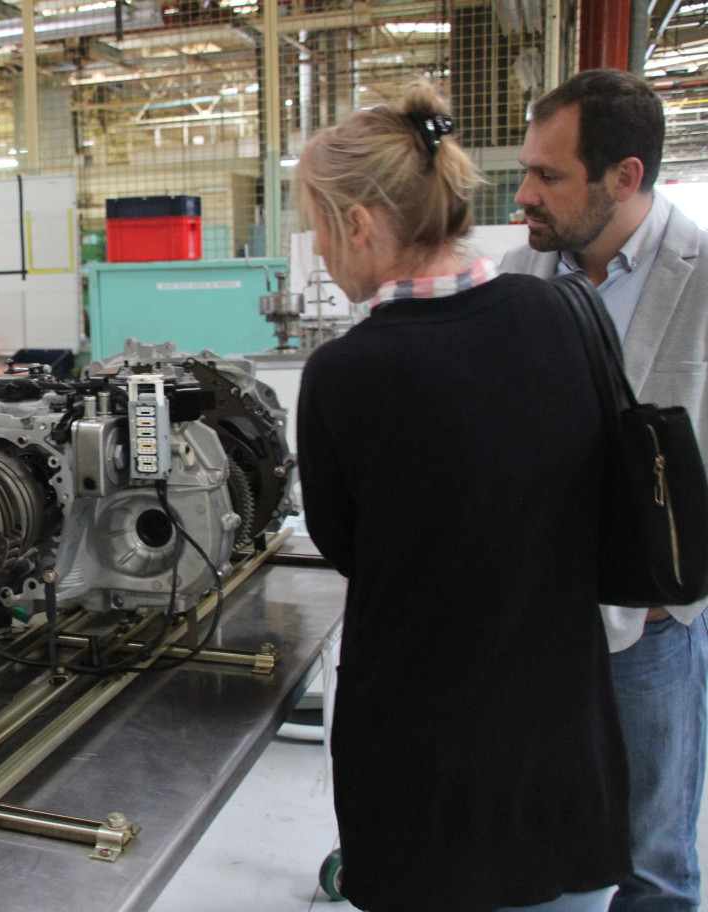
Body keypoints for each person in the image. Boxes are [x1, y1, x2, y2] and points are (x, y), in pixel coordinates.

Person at [296, 83, 631, 912]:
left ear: (361, 225)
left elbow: (346, 545)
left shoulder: (345, 375)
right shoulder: (570, 314)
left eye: (318, 225)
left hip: (428, 791)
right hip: (563, 770)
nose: (318, 248)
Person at [501, 68, 708, 912]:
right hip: (533, 624)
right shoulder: (522, 277)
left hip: (647, 635)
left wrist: (673, 594)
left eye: (548, 175)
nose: (523, 196)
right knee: (534, 840)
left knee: (652, 858)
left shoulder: (701, 280)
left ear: (624, 178)